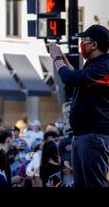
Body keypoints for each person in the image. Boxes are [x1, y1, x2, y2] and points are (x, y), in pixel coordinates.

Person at [48, 24, 109, 187]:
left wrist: (56, 58)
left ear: (95, 44)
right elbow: (76, 75)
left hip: (94, 136)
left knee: (95, 184)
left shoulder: (104, 66)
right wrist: (61, 55)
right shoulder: (95, 65)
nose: (82, 43)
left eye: (85, 40)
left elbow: (70, 79)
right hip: (83, 135)